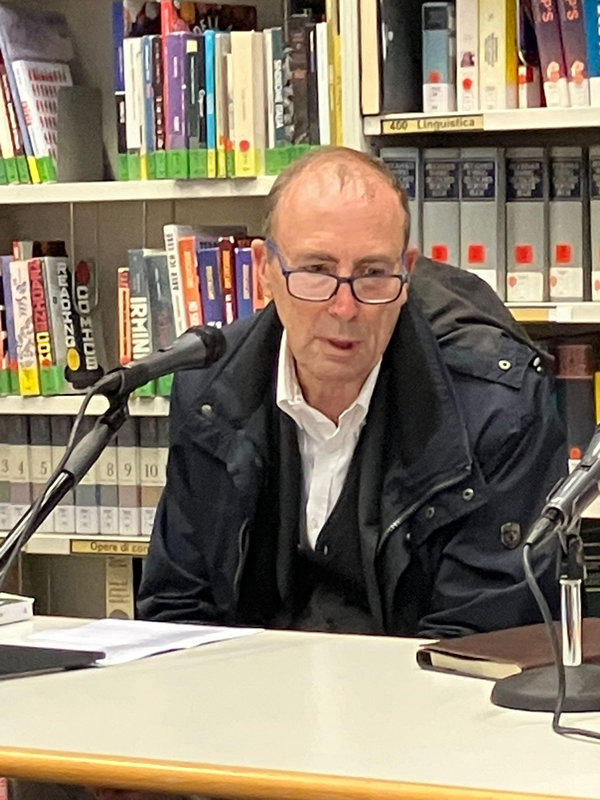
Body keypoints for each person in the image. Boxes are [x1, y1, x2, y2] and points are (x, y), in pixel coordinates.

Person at [137, 146, 566, 638]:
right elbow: (176, 609)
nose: (344, 308)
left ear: (406, 274)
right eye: (316, 271)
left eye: (373, 274)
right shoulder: (210, 387)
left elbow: (482, 639)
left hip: (417, 683)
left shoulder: (498, 408)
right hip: (248, 681)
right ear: (264, 270)